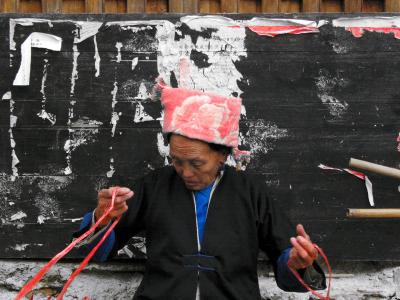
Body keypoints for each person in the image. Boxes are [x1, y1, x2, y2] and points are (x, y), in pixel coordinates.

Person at [73, 82, 326, 299]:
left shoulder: (250, 191)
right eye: (176, 161)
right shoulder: (155, 186)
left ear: (222, 156)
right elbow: (93, 253)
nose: (185, 172)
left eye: (196, 163)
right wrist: (102, 218)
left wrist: (298, 263)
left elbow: (287, 258)